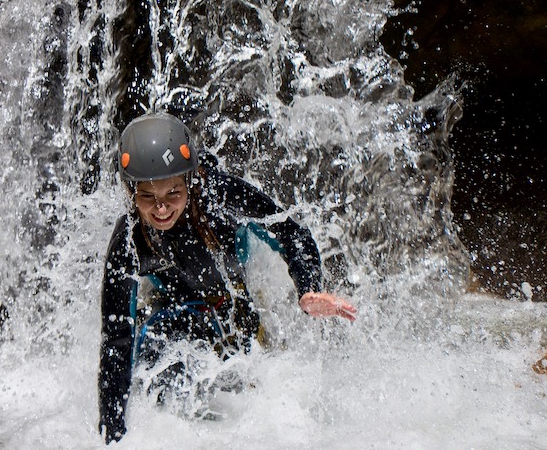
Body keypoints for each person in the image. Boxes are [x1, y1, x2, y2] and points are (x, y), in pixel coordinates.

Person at [97, 113, 357, 444]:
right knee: (152, 374)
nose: (161, 209)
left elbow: (290, 232)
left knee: (256, 395)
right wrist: (111, 436)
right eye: (148, 196)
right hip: (171, 313)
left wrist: (308, 290)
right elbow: (117, 340)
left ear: (189, 183)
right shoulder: (129, 239)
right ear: (131, 192)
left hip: (234, 308)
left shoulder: (220, 196)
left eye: (172, 193)